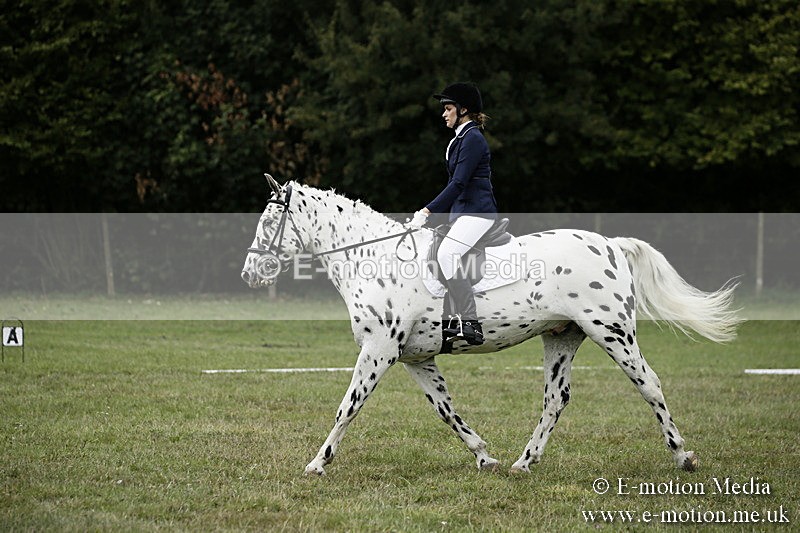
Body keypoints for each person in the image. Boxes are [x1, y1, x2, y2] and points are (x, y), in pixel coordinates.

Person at [407, 82, 498, 345]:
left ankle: (470, 322)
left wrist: (427, 210)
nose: (444, 114)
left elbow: (458, 183)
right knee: (436, 250)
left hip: (478, 212)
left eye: (448, 108)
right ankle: (448, 319)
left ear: (464, 109)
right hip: (462, 213)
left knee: (448, 254)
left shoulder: (472, 139)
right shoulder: (459, 139)